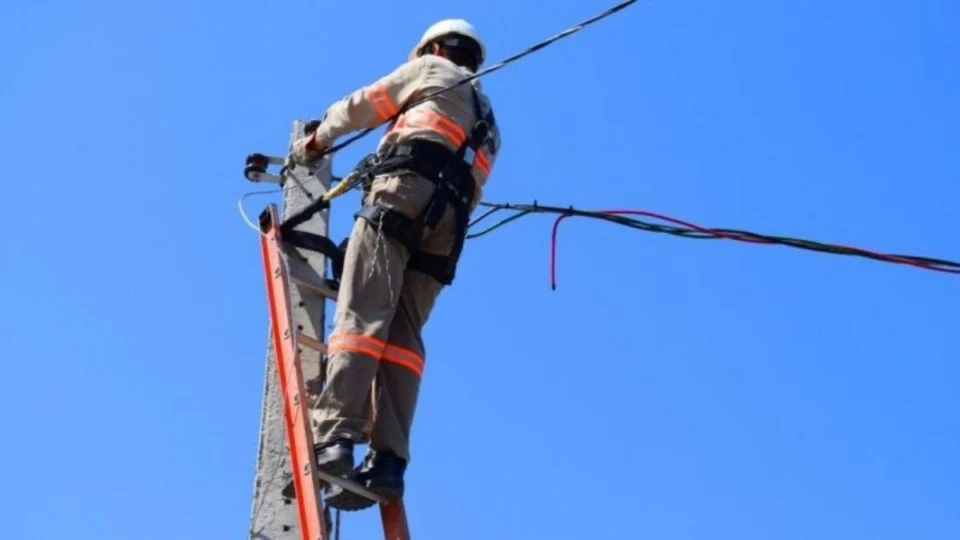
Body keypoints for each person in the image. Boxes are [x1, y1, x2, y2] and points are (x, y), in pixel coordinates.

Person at [288, 18, 502, 510]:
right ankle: (388, 464)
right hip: (448, 225)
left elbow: (364, 105)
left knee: (363, 314)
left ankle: (335, 435)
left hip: (401, 196)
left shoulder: (430, 68)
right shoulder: (489, 121)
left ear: (433, 47)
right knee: (404, 341)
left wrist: (314, 143)